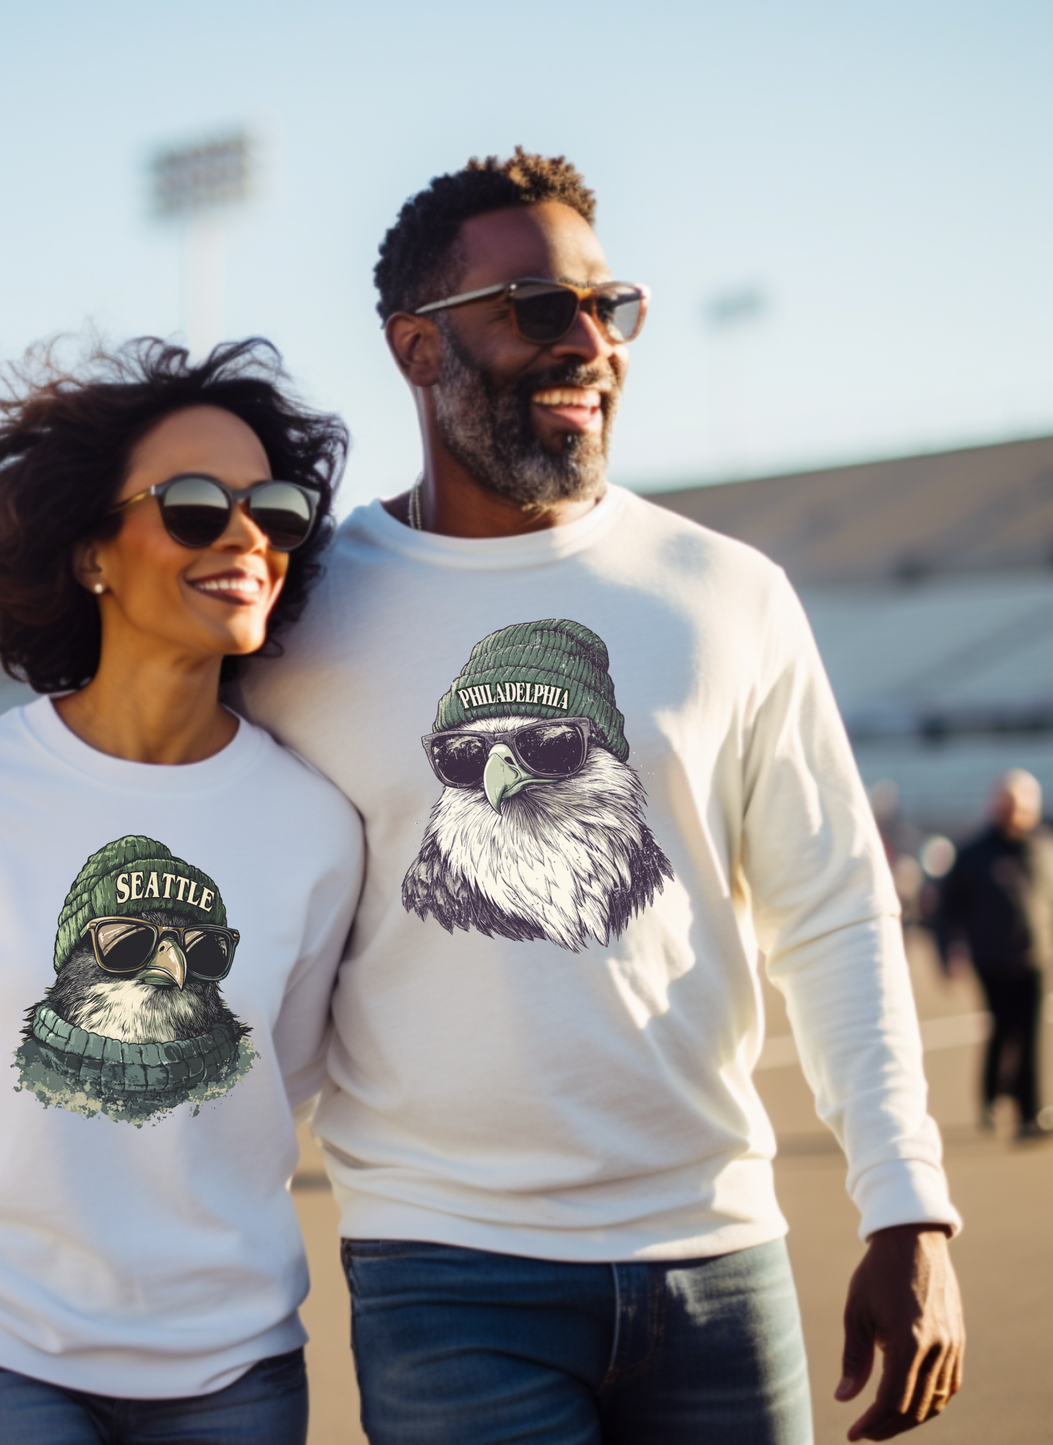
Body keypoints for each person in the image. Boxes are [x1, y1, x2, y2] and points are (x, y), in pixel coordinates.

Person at [239, 150, 964, 1444]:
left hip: (719, 1254)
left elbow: (834, 909)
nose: (586, 342)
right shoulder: (299, 620)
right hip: (442, 1268)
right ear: (417, 348)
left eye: (607, 305)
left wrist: (907, 1204)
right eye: (532, 306)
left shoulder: (725, 594)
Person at [0, 338, 363, 1445]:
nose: (246, 535)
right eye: (195, 505)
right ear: (91, 555)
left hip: (236, 1369)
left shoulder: (315, 822)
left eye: (273, 506)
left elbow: (289, 1074)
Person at [936, 769, 1052, 1140]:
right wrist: (948, 954)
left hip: (1034, 957)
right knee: (1002, 1029)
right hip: (991, 958)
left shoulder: (1043, 849)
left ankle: (1030, 1112)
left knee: (1031, 1033)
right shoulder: (973, 855)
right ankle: (989, 1097)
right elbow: (945, 910)